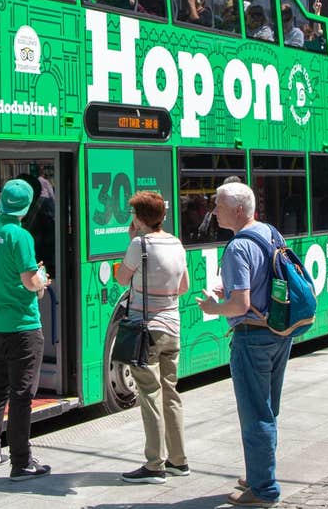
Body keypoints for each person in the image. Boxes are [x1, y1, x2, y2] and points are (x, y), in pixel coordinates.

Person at [195, 182, 290, 507]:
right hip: (279, 333)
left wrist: (213, 308)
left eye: (218, 204)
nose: (213, 209)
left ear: (237, 210)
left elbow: (240, 305)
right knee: (268, 410)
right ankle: (258, 474)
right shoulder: (270, 233)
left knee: (255, 414)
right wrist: (231, 292)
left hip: (252, 338)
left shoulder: (237, 247)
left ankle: (264, 490)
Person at [0, 179, 52, 481]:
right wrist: (43, 279)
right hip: (23, 326)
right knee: (22, 395)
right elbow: (30, 281)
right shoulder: (20, 236)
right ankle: (21, 462)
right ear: (27, 206)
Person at [117, 191, 190, 485]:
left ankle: (154, 464)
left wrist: (131, 241)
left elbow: (122, 279)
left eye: (133, 215)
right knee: (171, 393)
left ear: (139, 218)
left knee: (149, 395)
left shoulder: (139, 244)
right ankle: (179, 460)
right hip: (173, 327)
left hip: (146, 329)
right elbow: (183, 286)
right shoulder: (176, 243)